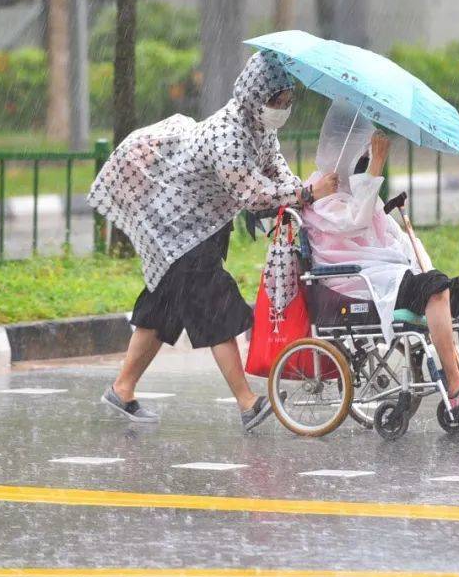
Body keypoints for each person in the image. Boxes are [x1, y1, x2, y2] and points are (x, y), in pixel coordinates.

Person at [87, 51, 340, 431]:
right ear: (256, 96)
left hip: (201, 227)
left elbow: (275, 170)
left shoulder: (258, 126)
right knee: (215, 305)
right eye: (277, 101)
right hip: (177, 229)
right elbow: (253, 195)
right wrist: (305, 195)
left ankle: (121, 389)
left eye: (287, 101)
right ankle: (248, 402)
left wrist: (302, 191)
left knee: (162, 310)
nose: (282, 109)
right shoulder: (227, 137)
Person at [302, 99, 459, 411]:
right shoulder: (320, 193)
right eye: (363, 150)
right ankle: (456, 389)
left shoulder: (358, 190)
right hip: (365, 286)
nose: (366, 156)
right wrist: (376, 165)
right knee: (435, 288)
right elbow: (355, 220)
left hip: (399, 278)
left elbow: (394, 238)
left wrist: (424, 266)